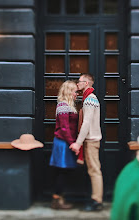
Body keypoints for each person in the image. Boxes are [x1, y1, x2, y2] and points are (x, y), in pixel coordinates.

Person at [70, 73, 103, 211]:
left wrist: (78, 142)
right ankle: (96, 199)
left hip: (91, 140)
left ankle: (97, 201)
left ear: (87, 83)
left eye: (80, 81)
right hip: (91, 140)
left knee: (94, 170)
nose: (78, 84)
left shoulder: (89, 99)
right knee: (94, 170)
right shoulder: (89, 98)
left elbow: (86, 123)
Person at [49, 80, 79, 210]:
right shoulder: (63, 105)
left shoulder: (68, 105)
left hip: (65, 142)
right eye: (75, 91)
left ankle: (58, 199)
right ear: (68, 91)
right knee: (62, 171)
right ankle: (57, 200)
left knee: (63, 171)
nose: (76, 94)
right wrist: (72, 143)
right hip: (63, 143)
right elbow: (64, 128)